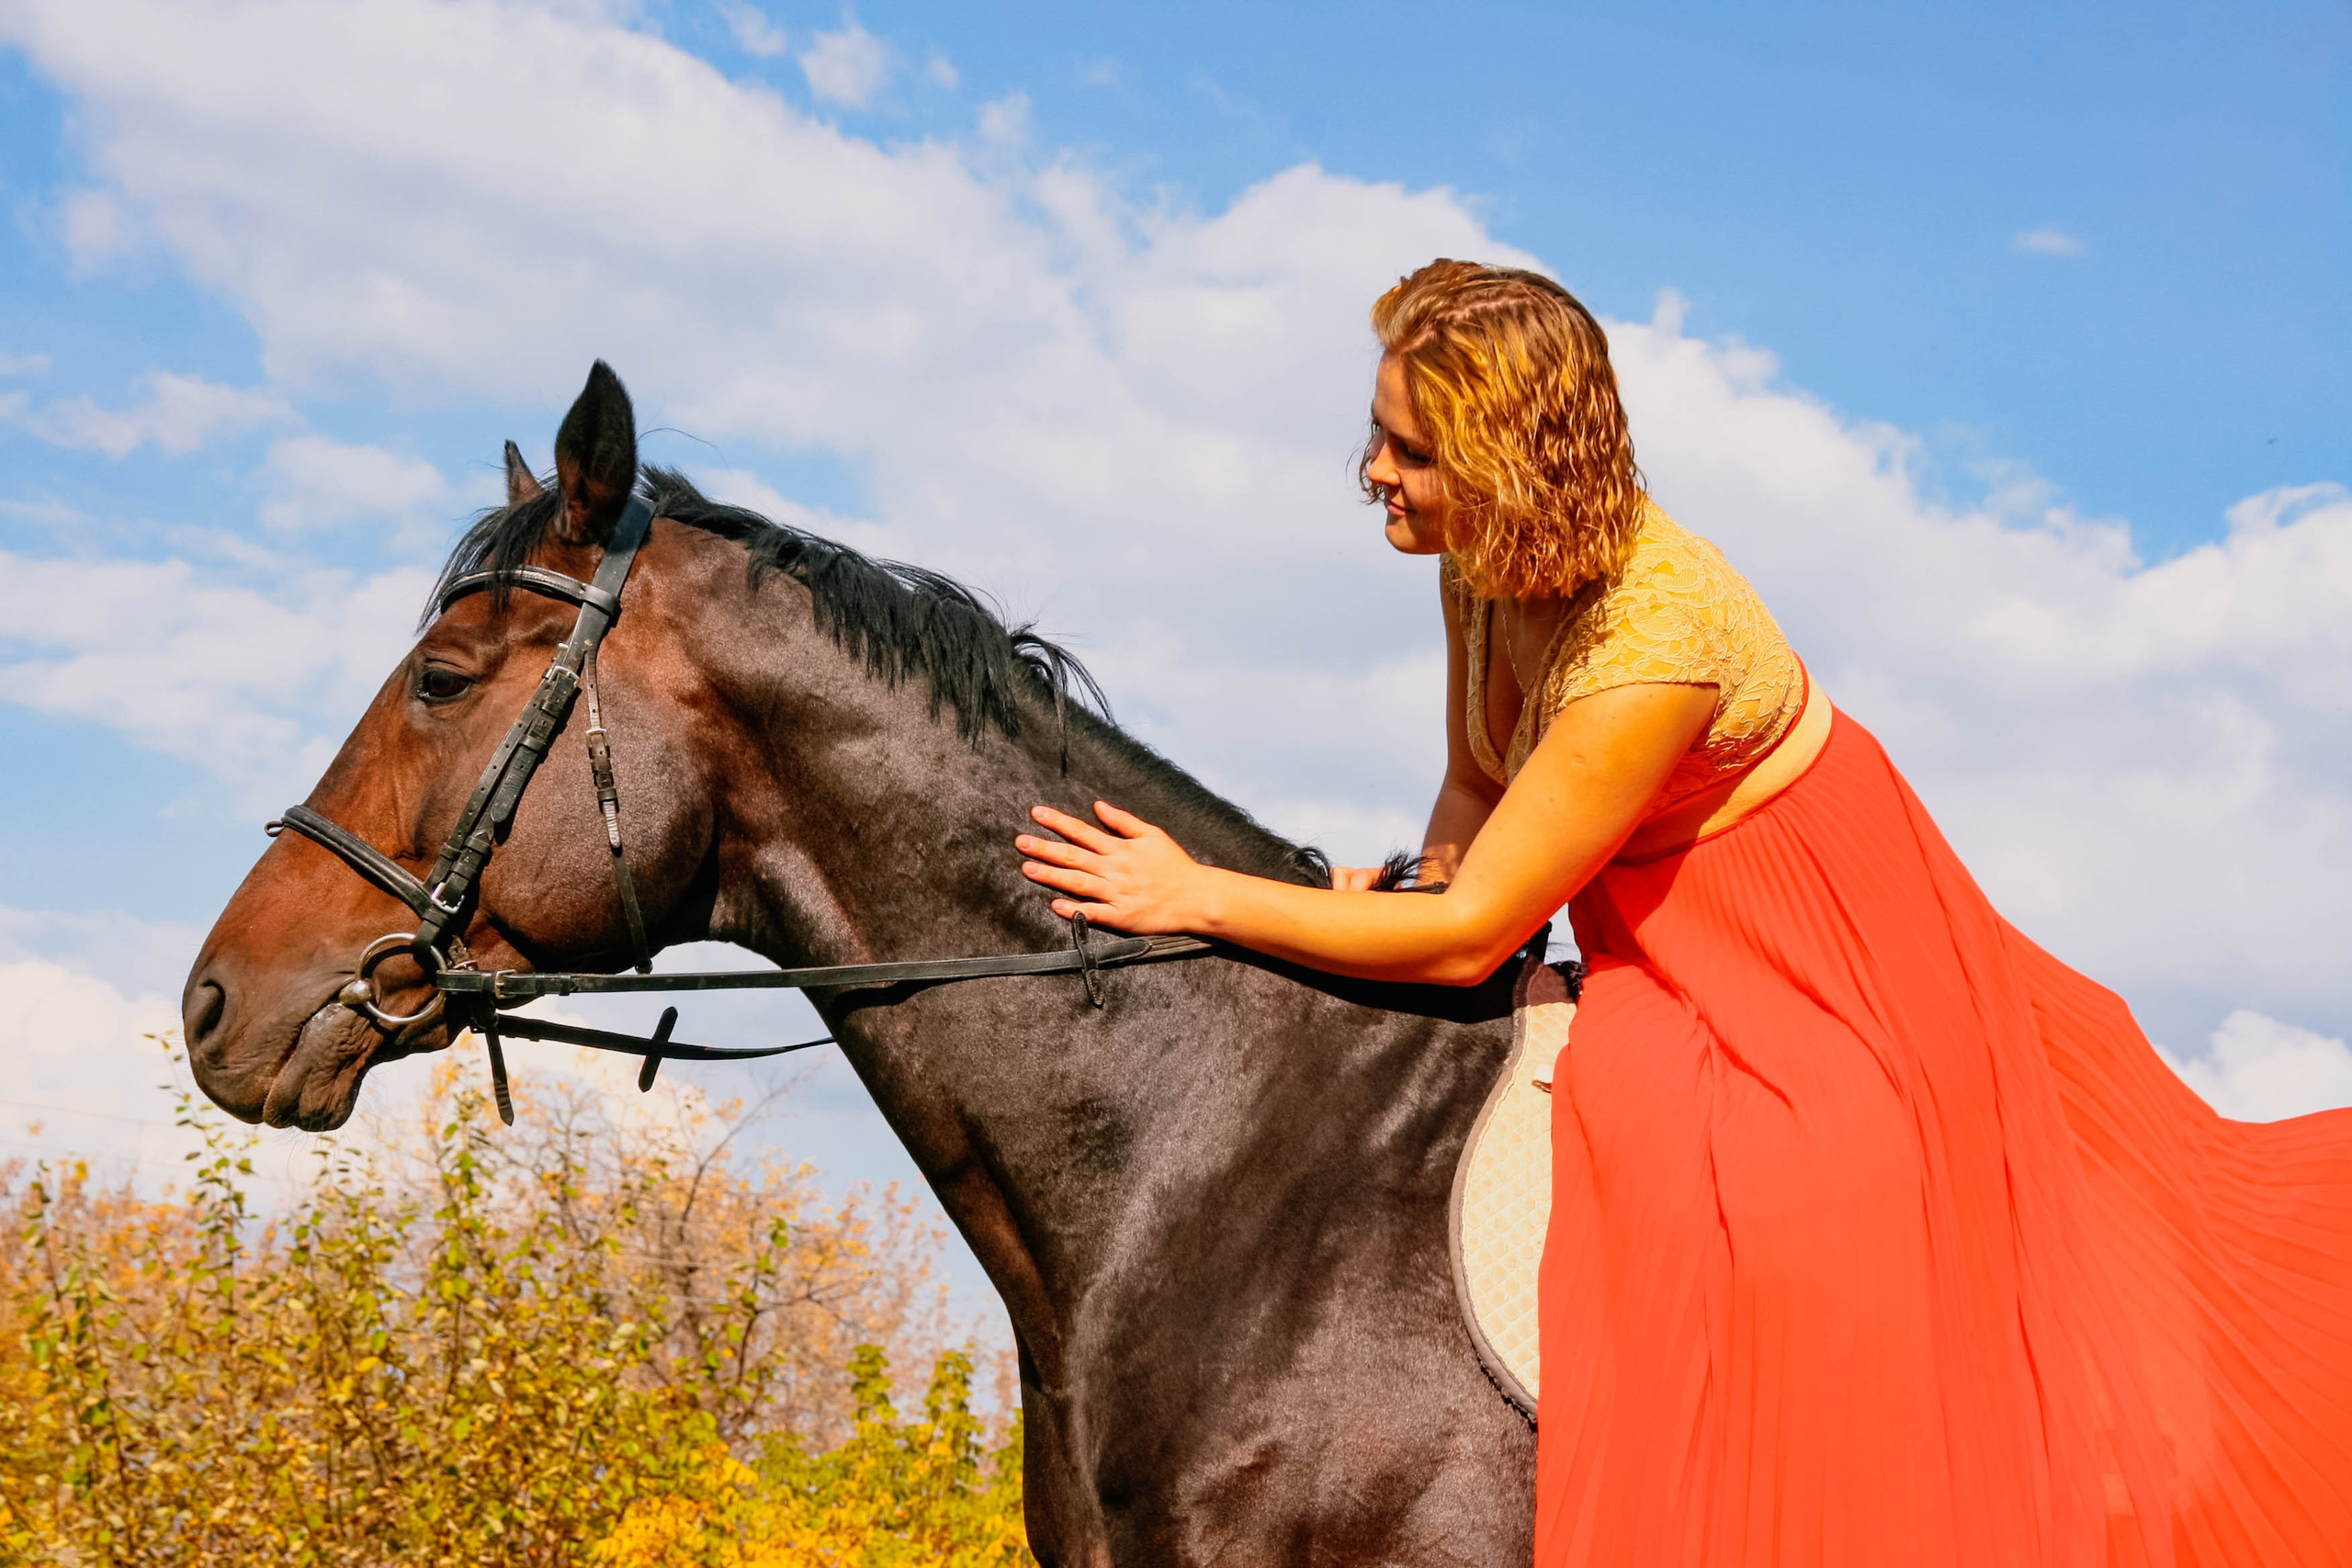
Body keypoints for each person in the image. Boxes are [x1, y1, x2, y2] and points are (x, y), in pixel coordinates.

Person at [1014, 258, 2352, 1566]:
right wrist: (1413, 877)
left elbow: (1481, 932)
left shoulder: (1656, 639)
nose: (1376, 471)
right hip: (1655, 921)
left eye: (1409, 452)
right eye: (1374, 433)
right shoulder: (1477, 556)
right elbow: (1480, 778)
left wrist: (1200, 895)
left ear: (1502, 466)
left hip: (1820, 955)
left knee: (1741, 1195)